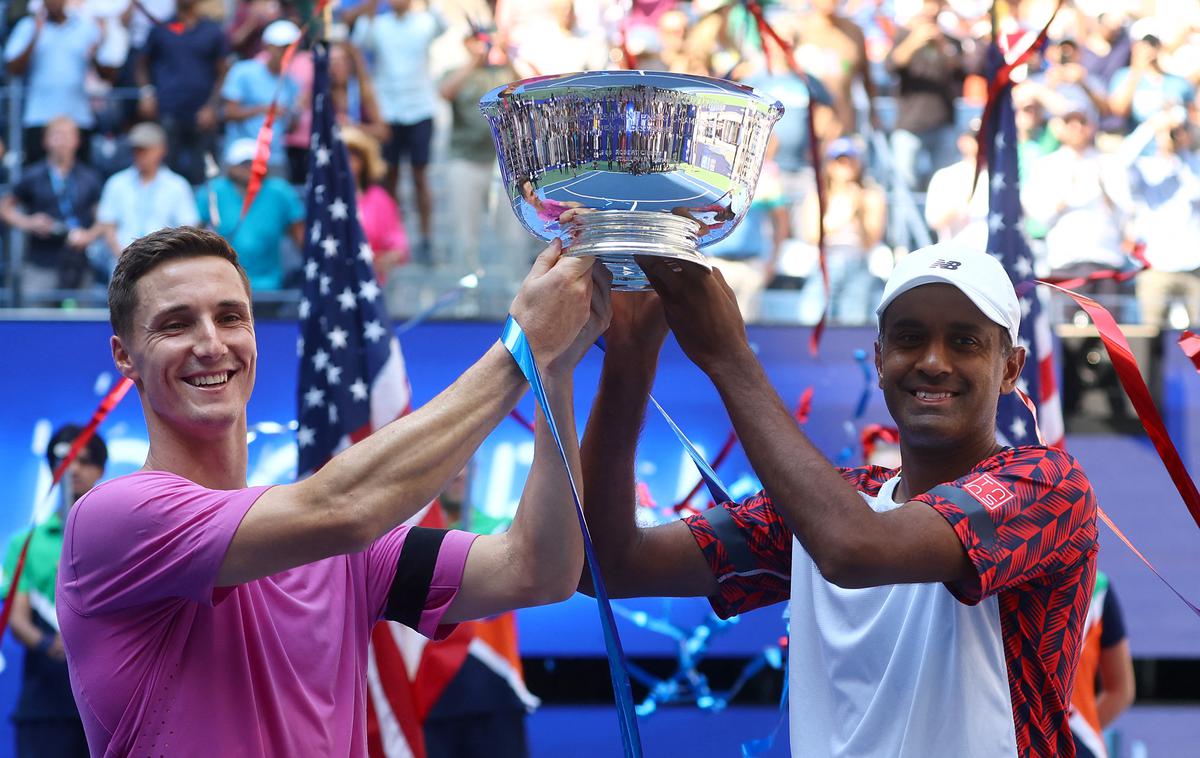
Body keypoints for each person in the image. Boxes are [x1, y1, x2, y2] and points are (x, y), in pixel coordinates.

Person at [57, 226, 608, 755]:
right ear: (124, 355)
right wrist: (521, 351)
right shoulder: (113, 518)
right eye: (175, 324)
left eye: (230, 318)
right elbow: (345, 508)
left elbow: (539, 569)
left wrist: (553, 373)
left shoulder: (335, 549)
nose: (210, 343)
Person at [580, 241, 1099, 757]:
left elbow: (854, 549)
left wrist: (730, 358)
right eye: (910, 338)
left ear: (1010, 368)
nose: (934, 362)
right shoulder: (830, 504)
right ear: (879, 358)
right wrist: (630, 356)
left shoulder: (1047, 485)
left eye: (965, 341)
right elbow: (607, 565)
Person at [2, 425, 107, 758]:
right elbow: (17, 620)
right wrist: (50, 644)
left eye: (85, 460)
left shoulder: (123, 537)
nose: (73, 469)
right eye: (64, 461)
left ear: (101, 469)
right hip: (45, 704)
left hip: (110, 702)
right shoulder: (25, 544)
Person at [350, 0, 447, 260]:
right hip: (389, 109)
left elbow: (442, 24)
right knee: (389, 176)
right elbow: (360, 41)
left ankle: (426, 236)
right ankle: (393, 234)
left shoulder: (425, 21)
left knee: (419, 175)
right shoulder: (377, 24)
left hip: (419, 107)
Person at [0, 116, 105, 300]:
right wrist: (30, 223)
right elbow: (5, 208)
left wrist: (88, 235)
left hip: (78, 261)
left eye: (67, 135)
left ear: (77, 141)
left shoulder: (89, 177)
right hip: (41, 262)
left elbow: (103, 218)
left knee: (80, 323)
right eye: (57, 135)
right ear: (45, 141)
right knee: (35, 322)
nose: (62, 141)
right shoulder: (32, 175)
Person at [3, 0, 117, 166]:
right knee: (37, 177)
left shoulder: (85, 27)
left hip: (78, 116)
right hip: (39, 116)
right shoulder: (28, 26)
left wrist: (96, 52)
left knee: (80, 176)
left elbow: (108, 75)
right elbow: (13, 69)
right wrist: (35, 35)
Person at [136, 0, 229, 186]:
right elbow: (141, 63)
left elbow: (223, 71)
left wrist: (212, 106)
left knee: (204, 175)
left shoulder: (212, 31)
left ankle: (202, 214)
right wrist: (147, 93)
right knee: (165, 171)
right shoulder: (162, 28)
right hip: (168, 111)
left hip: (202, 115)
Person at [796, 137, 887, 325]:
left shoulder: (871, 196)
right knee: (812, 319)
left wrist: (860, 213)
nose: (845, 166)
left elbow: (871, 241)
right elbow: (812, 235)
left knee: (853, 321)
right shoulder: (818, 196)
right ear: (830, 165)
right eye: (839, 161)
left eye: (850, 161)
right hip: (825, 264)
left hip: (858, 264)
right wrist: (847, 213)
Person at [196, 138, 305, 291]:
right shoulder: (212, 191)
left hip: (270, 287)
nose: (250, 168)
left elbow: (301, 237)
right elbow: (193, 232)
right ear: (230, 166)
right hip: (221, 285)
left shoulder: (280, 192)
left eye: (255, 162)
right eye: (244, 163)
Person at [96, 122, 199, 275]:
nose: (140, 154)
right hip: (121, 267)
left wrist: (167, 257)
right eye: (136, 150)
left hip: (165, 266)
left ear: (161, 150)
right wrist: (124, 258)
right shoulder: (116, 183)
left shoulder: (177, 186)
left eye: (145, 149)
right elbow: (108, 226)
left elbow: (188, 227)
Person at [887, 0, 967, 191]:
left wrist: (941, 45)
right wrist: (914, 41)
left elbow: (962, 72)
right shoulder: (904, 35)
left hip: (943, 122)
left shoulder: (950, 41)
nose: (931, 9)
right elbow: (891, 66)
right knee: (904, 188)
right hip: (910, 124)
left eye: (936, 4)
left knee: (944, 187)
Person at [1069, 572, 1135, 758]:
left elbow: (1121, 690)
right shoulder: (1003, 572)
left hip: (1080, 747)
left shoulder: (1098, 590)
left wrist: (1081, 728)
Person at [221, 19, 301, 174]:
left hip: (275, 157)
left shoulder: (291, 83)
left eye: (291, 49)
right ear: (268, 47)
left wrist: (297, 112)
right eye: (282, 48)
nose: (286, 54)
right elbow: (228, 112)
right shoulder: (243, 71)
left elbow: (291, 127)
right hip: (241, 156)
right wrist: (264, 109)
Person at [340, 125, 409, 283]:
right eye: (342, 156)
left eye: (353, 156)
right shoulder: (324, 199)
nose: (347, 163)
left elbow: (397, 241)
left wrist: (387, 259)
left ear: (364, 162)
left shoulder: (378, 198)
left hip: (370, 284)